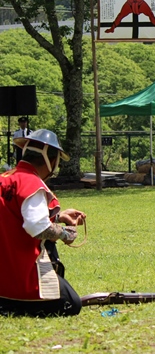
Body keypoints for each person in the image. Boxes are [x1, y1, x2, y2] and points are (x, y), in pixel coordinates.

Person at [0, 129, 86, 317]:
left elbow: (13, 215)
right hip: (20, 280)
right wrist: (65, 234)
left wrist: (59, 216)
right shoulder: (31, 183)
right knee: (72, 303)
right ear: (52, 161)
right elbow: (37, 227)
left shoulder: (5, 178)